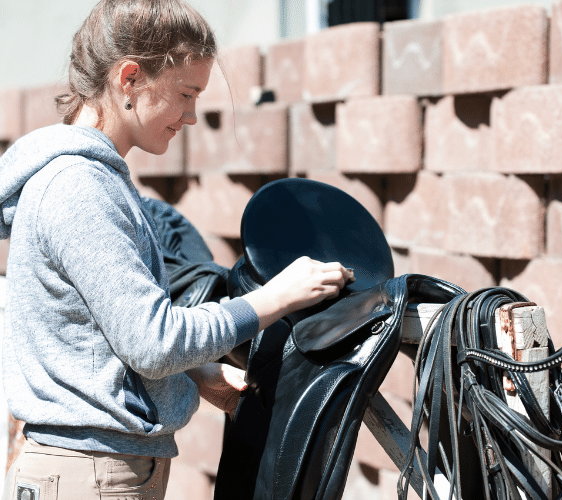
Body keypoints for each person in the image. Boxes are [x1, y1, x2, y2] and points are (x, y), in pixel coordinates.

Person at [0, 0, 352, 499]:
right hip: (91, 474)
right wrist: (276, 298)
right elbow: (153, 341)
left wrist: (198, 371)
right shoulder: (79, 188)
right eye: (186, 94)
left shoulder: (91, 180)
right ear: (129, 78)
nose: (190, 116)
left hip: (95, 467)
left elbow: (109, 331)